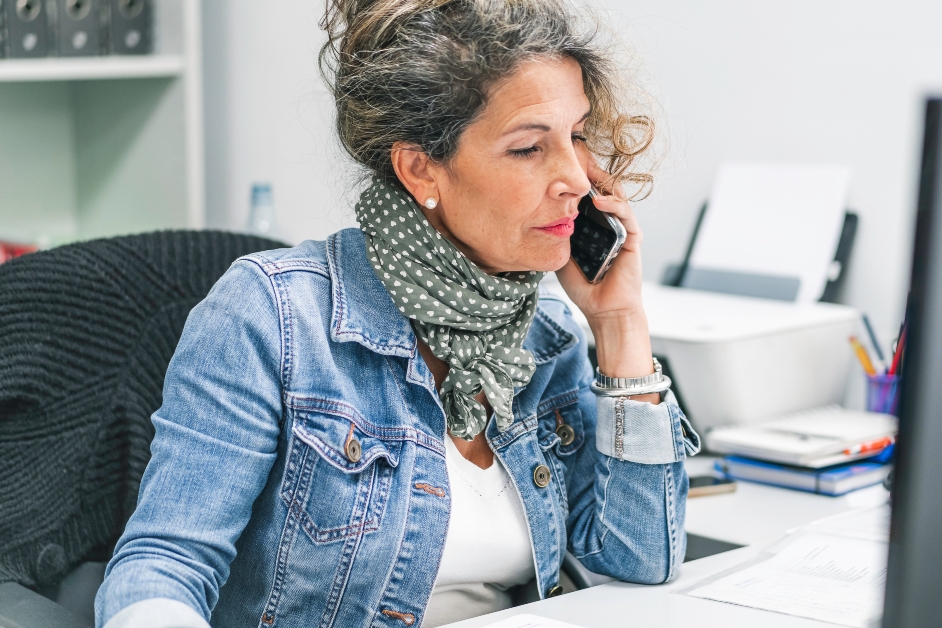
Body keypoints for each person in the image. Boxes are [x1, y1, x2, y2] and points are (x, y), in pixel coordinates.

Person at [95, 0, 699, 626]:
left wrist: (618, 321)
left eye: (575, 136)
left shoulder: (543, 336)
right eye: (528, 149)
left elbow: (641, 559)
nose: (576, 178)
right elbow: (162, 564)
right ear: (420, 169)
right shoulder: (272, 316)